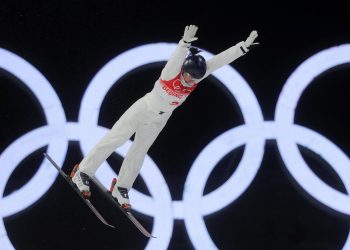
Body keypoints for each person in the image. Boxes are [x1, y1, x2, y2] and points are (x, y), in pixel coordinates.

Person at [71, 25, 259, 211]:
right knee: (115, 139)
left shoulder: (198, 75)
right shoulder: (172, 72)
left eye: (196, 78)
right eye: (190, 77)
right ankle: (83, 172)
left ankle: (121, 188)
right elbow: (176, 57)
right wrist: (184, 43)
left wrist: (243, 47)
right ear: (184, 70)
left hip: (160, 118)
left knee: (139, 151)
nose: (192, 81)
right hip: (143, 108)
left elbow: (220, 61)